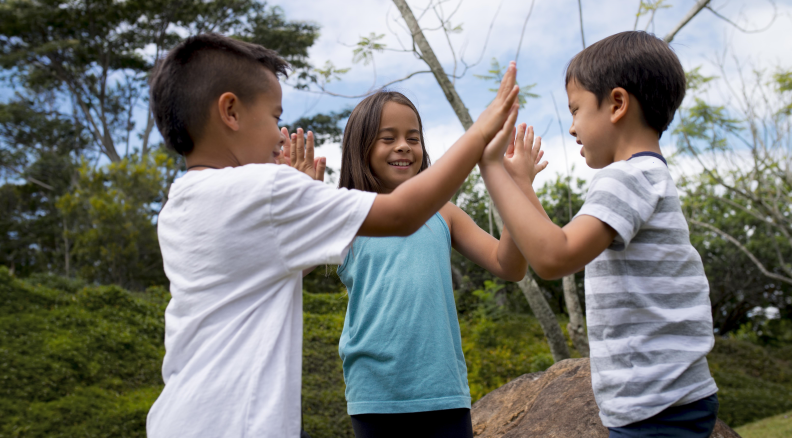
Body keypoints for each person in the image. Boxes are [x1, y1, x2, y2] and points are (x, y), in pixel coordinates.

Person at [145, 32, 520, 438]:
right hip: (242, 422)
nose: (279, 136)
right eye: (275, 117)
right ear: (231, 112)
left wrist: (293, 204)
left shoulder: (179, 205)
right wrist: (480, 133)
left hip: (183, 417)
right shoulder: (262, 191)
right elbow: (401, 214)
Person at [478, 31, 719, 438]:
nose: (572, 128)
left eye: (576, 110)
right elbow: (561, 240)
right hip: (668, 399)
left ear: (617, 104)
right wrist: (521, 186)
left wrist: (491, 166)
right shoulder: (646, 175)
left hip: (655, 406)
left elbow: (554, 257)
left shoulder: (625, 178)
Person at [329, 90, 547, 438]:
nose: (403, 146)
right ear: (360, 147)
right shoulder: (346, 214)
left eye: (412, 138)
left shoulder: (445, 213)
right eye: (389, 138)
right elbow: (291, 270)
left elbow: (509, 266)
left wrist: (519, 185)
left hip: (444, 391)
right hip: (375, 394)